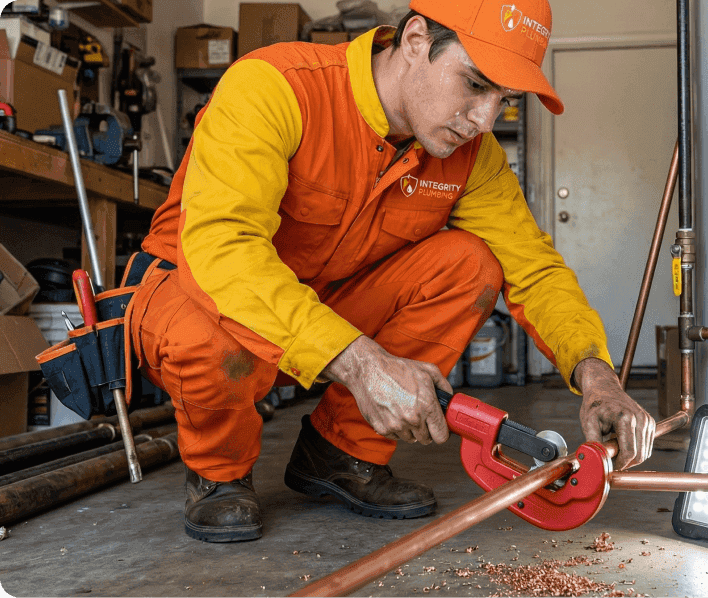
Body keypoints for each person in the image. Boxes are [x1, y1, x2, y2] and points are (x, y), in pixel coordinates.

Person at [126, 0, 656, 543]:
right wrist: (360, 364)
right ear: (416, 39)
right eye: (475, 84)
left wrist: (599, 378)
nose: (484, 120)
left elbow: (534, 269)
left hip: (324, 316)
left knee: (469, 265)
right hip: (203, 306)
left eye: (505, 100)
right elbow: (223, 250)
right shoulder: (275, 87)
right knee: (211, 323)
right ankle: (219, 474)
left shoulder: (473, 157)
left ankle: (340, 454)